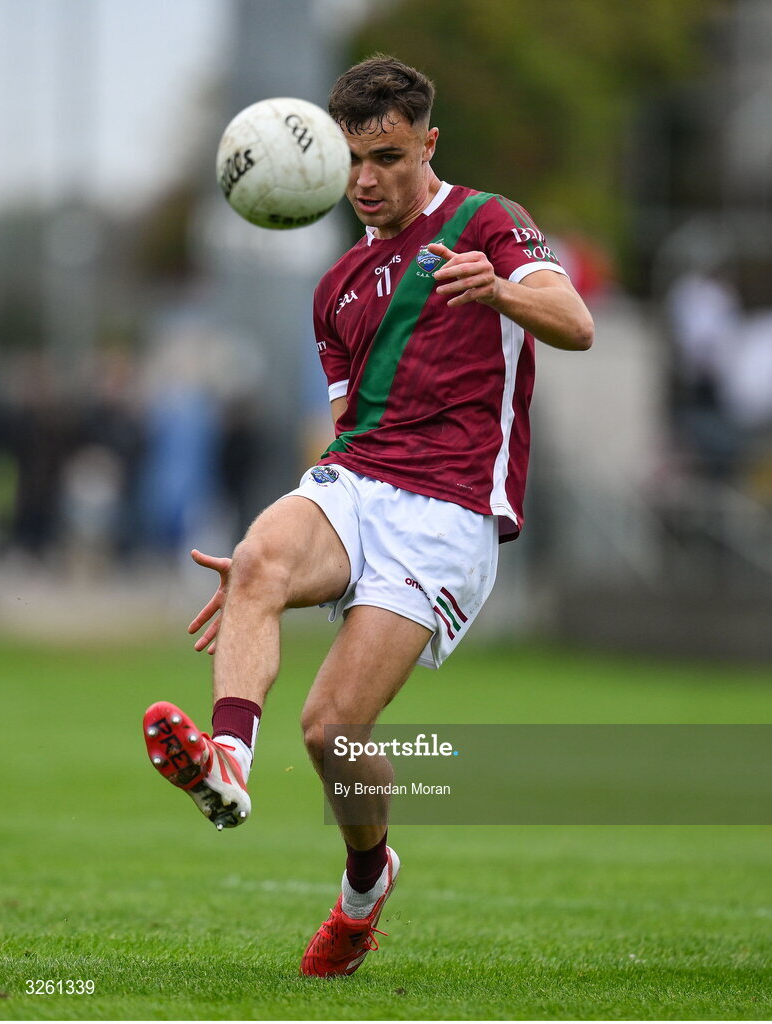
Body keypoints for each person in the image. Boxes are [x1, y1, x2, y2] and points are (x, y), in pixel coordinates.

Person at [142, 55, 594, 977]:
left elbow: (575, 321)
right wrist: (285, 564)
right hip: (361, 479)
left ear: (428, 143)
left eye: (385, 157)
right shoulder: (336, 286)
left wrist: (497, 287)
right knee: (258, 556)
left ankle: (365, 881)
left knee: (330, 731)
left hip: (452, 509)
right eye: (351, 160)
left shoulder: (486, 222)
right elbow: (347, 429)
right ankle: (226, 763)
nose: (365, 181)